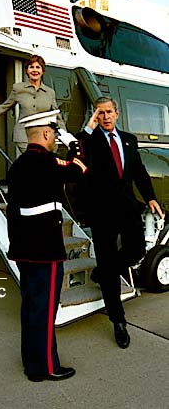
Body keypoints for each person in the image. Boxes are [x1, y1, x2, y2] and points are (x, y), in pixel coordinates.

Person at [6, 110, 87, 382]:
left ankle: (31, 361)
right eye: (53, 134)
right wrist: (74, 144)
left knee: (30, 306)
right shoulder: (48, 162)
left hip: (23, 248)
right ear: (45, 134)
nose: (53, 139)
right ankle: (45, 367)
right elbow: (78, 171)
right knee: (44, 309)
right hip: (45, 250)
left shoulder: (17, 166)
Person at [78, 96, 163, 349]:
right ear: (95, 116)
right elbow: (77, 149)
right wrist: (88, 127)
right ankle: (119, 321)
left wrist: (150, 198)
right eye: (99, 113)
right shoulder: (90, 141)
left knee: (137, 249)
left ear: (117, 113)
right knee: (107, 258)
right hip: (102, 211)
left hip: (127, 206)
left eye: (108, 112)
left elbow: (138, 171)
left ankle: (103, 273)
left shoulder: (129, 139)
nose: (105, 117)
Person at [0, 54, 68, 152]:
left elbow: (57, 116)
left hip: (44, 136)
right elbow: (4, 107)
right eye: (31, 67)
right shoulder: (18, 88)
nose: (34, 70)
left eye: (38, 67)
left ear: (42, 71)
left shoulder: (50, 92)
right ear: (27, 70)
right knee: (32, 161)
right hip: (23, 136)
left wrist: (65, 135)